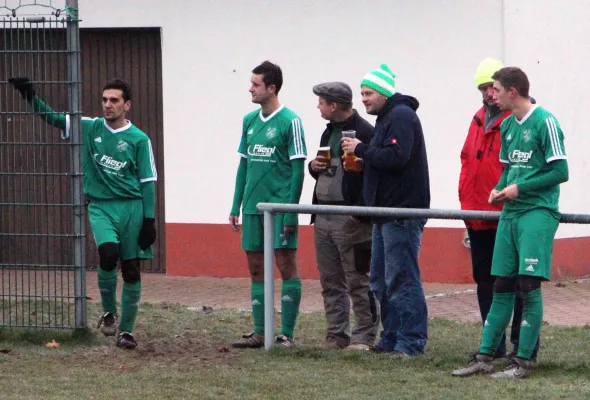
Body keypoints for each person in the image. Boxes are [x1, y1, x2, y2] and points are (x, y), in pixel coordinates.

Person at [9, 77, 158, 350]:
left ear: (127, 105)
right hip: (101, 205)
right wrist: (31, 97)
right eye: (104, 99)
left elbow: (148, 182)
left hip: (132, 208)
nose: (107, 105)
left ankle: (126, 331)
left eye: (114, 100)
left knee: (132, 270)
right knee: (108, 254)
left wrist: (149, 219)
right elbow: (54, 119)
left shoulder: (139, 139)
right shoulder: (90, 127)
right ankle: (109, 312)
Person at [452, 66, 568, 379]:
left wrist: (520, 188)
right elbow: (507, 168)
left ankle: (524, 362)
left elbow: (561, 172)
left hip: (537, 212)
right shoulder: (507, 127)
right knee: (501, 283)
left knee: (528, 286)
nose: (493, 95)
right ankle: (485, 356)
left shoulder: (545, 121)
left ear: (512, 92)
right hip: (511, 212)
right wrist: (499, 188)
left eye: (498, 90)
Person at [341, 63, 431, 357]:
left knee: (402, 278)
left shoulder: (402, 116)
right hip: (383, 214)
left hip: (401, 213)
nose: (363, 99)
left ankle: (411, 342)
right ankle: (391, 339)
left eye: (368, 93)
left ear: (382, 92)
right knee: (380, 280)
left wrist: (362, 150)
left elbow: (397, 156)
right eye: (362, 93)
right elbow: (387, 161)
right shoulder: (385, 119)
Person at [459, 58, 540, 361]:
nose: (489, 93)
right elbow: (468, 160)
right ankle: (493, 345)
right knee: (484, 280)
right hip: (477, 213)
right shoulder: (479, 118)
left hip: (508, 212)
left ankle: (521, 345)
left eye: (493, 88)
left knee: (517, 282)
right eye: (484, 88)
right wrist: (466, 201)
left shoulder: (522, 121)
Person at [229, 61, 307, 349]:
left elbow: (298, 171)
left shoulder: (291, 121)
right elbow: (243, 165)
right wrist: (235, 205)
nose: (250, 88)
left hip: (279, 209)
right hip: (252, 209)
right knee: (256, 270)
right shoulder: (249, 120)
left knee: (286, 265)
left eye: (256, 84)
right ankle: (260, 331)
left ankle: (286, 334)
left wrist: (290, 210)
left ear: (271, 88)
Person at [308, 81, 378, 350]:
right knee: (330, 279)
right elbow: (322, 171)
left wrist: (360, 212)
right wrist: (313, 167)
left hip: (350, 217)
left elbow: (375, 175)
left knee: (359, 279)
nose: (318, 106)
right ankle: (336, 333)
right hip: (323, 214)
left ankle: (364, 335)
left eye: (321, 102)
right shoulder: (328, 133)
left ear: (334, 105)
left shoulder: (366, 132)